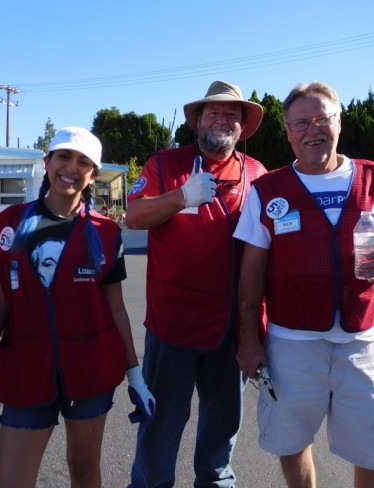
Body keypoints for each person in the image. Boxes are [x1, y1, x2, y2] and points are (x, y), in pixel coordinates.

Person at [235, 81, 374, 488]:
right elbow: (251, 270)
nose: (312, 130)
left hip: (361, 343)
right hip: (291, 344)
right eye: (301, 122)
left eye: (322, 118)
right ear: (287, 131)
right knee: (292, 440)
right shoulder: (267, 191)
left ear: (339, 121)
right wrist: (249, 339)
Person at [0, 127, 155, 488]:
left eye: (84, 162)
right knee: (12, 481)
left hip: (90, 369)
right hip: (26, 369)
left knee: (83, 469)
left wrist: (135, 375)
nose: (71, 167)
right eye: (63, 156)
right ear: (47, 161)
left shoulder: (106, 234)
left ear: (92, 175)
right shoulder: (9, 225)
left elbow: (116, 310)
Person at [126, 80, 267, 487]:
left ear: (242, 126)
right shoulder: (164, 165)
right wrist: (181, 197)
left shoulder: (258, 174)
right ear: (198, 120)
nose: (222, 120)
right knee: (160, 429)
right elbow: (133, 216)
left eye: (231, 115)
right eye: (213, 113)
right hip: (173, 330)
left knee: (221, 437)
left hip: (233, 332)